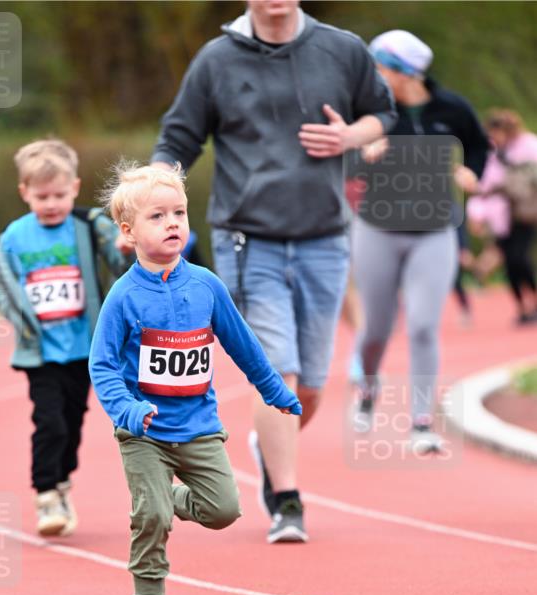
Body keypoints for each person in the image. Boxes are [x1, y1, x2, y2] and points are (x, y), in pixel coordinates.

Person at [151, 0, 396, 542]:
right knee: (276, 371)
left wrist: (351, 137)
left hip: (324, 237)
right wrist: (153, 192)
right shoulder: (216, 59)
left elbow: (383, 113)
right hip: (247, 238)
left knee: (310, 386)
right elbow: (178, 139)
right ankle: (287, 500)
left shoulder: (341, 49)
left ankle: (270, 442)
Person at [90, 163, 301, 595]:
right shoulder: (122, 297)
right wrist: (127, 410)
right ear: (128, 231)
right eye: (157, 216)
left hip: (199, 426)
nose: (172, 224)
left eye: (179, 213)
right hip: (144, 431)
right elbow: (101, 366)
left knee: (224, 510)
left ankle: (164, 498)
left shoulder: (206, 285)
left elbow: (244, 346)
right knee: (151, 516)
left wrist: (275, 391)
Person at [351, 30, 489, 454]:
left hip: (433, 232)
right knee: (376, 329)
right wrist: (362, 154)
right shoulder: (369, 111)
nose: (374, 75)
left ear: (405, 72)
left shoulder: (452, 108)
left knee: (424, 326)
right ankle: (368, 390)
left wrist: (473, 173)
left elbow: (479, 147)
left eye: (380, 67)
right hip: (377, 230)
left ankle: (422, 423)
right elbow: (339, 159)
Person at [0, 139, 129, 537]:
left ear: (75, 188)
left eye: (59, 195)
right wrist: (21, 320)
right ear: (24, 192)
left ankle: (63, 480)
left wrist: (125, 248)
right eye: (41, 197)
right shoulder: (14, 237)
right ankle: (47, 493)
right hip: (40, 351)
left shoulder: (89, 226)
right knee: (49, 421)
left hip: (85, 348)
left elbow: (122, 262)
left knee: (73, 421)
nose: (51, 204)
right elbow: (1, 284)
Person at [466, 109, 537, 325]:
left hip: (525, 213)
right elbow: (483, 187)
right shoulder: (493, 154)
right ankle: (521, 306)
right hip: (501, 216)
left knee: (519, 258)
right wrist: (477, 213)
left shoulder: (529, 146)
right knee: (510, 264)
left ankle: (534, 300)